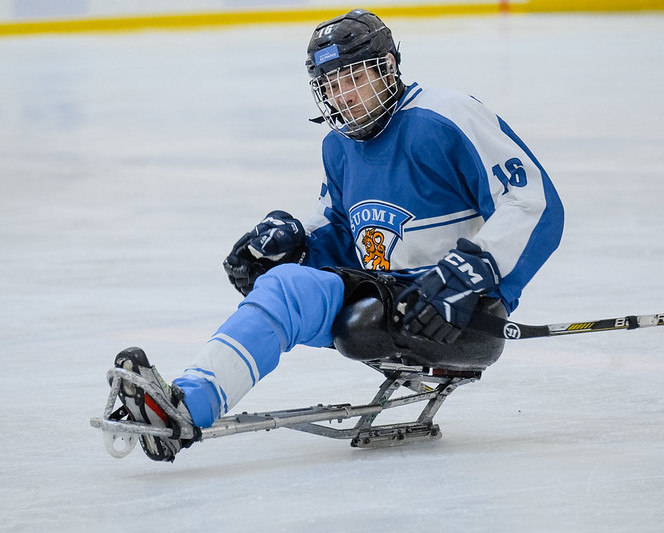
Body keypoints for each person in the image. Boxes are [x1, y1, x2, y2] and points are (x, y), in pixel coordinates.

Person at [113, 8, 564, 462]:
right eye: (330, 84)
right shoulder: (339, 146)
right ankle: (184, 407)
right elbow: (347, 233)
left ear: (388, 67)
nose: (342, 95)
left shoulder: (446, 116)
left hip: (460, 316)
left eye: (353, 78)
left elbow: (532, 202)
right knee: (285, 285)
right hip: (387, 296)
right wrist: (293, 247)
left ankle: (184, 409)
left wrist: (471, 274)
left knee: (331, 307)